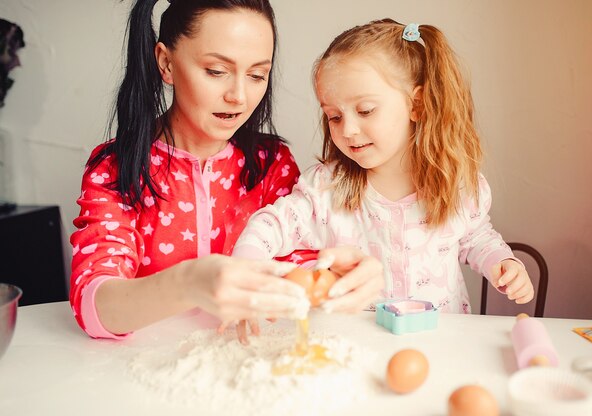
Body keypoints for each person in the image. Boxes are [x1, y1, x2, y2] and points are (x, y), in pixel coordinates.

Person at [69, 0, 383, 343]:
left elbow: (292, 265)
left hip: (242, 369)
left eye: (256, 75)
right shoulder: (115, 168)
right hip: (140, 372)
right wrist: (189, 282)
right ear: (166, 63)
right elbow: (94, 306)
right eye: (217, 71)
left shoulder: (270, 163)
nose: (238, 96)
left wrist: (334, 275)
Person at [233, 20, 534, 313]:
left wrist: (503, 263)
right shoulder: (326, 189)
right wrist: (246, 271)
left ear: (416, 105)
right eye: (334, 117)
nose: (348, 129)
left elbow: (476, 237)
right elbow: (270, 225)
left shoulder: (457, 184)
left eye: (365, 111)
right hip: (358, 349)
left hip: (441, 343)